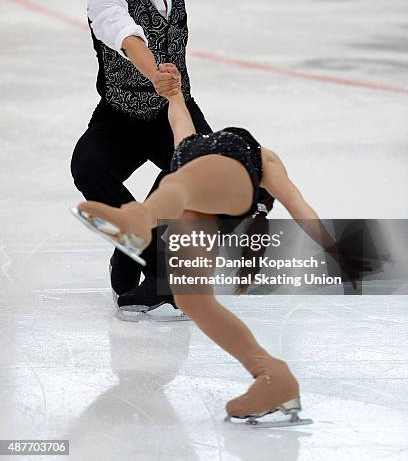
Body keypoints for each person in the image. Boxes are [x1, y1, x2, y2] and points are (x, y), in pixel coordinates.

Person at [74, 82, 370, 423]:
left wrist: (337, 252)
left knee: (180, 183)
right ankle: (273, 377)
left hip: (225, 180)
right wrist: (174, 95)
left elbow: (299, 207)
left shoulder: (263, 161)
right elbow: (180, 119)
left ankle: (138, 221)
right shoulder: (191, 152)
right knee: (192, 299)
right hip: (193, 190)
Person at [71, 0, 228, 318]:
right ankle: (140, 248)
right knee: (88, 168)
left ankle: (149, 259)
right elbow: (126, 36)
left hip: (172, 111)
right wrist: (155, 71)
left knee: (198, 172)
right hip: (120, 113)